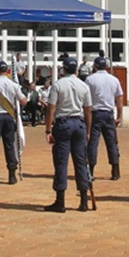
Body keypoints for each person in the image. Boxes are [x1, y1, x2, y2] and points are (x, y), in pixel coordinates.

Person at [43, 57, 92, 213]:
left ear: (63, 69)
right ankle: (84, 199)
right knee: (81, 162)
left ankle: (60, 200)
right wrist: (88, 130)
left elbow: (51, 108)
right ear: (76, 70)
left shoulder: (57, 85)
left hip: (63, 123)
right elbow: (88, 110)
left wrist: (48, 129)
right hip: (79, 123)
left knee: (61, 161)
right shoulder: (83, 85)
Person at [0, 61, 27, 186]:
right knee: (9, 145)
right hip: (9, 117)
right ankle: (11, 174)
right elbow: (23, 101)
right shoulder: (13, 85)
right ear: (7, 71)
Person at [85, 56, 124, 181]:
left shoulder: (90, 79)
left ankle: (90, 170)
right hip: (108, 113)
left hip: (95, 113)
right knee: (111, 142)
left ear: (95, 66)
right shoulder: (114, 80)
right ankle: (115, 170)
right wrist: (119, 116)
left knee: (93, 142)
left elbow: (86, 98)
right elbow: (119, 100)